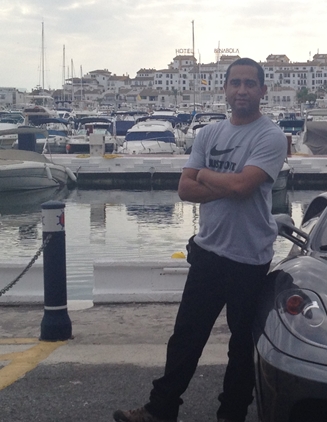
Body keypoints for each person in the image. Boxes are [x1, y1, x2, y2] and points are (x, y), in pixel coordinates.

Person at [113, 58, 288, 422]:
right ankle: (160, 410)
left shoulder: (269, 136)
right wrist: (226, 184)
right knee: (185, 338)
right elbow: (185, 189)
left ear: (262, 90)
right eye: (235, 83)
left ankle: (232, 415)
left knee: (241, 346)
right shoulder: (209, 134)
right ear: (225, 89)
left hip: (249, 259)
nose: (242, 90)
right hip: (208, 252)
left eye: (250, 83)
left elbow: (242, 186)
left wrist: (206, 174)